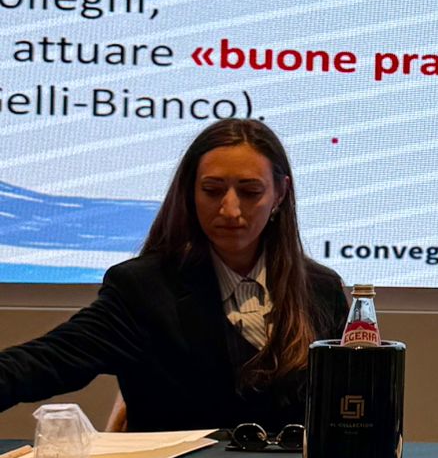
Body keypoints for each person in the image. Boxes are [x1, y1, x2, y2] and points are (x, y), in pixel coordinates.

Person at [0, 120, 347, 433]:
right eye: (212, 190)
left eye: (250, 192)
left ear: (280, 194)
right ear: (189, 193)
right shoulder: (142, 289)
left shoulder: (322, 289)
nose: (230, 209)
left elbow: (351, 403)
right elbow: (48, 360)